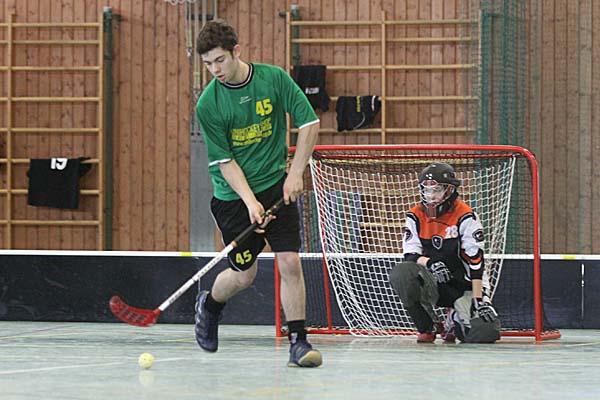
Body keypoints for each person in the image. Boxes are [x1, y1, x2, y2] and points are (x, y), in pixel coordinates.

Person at [194, 19, 322, 367]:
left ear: (236, 51)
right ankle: (210, 305)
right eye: (208, 63)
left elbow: (309, 123)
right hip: (233, 197)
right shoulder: (209, 104)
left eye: (220, 60)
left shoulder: (273, 79)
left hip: (275, 184)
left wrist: (295, 173)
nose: (215, 70)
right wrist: (251, 203)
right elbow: (225, 162)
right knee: (243, 275)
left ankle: (299, 342)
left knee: (289, 262)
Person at [388, 162, 500, 343]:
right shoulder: (415, 215)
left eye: (437, 190)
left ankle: (454, 319)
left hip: (463, 284)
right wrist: (431, 263)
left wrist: (479, 300)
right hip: (433, 281)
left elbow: (476, 261)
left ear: (449, 190)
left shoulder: (466, 216)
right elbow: (410, 256)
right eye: (426, 190)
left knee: (485, 333)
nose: (431, 196)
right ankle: (428, 326)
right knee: (402, 272)